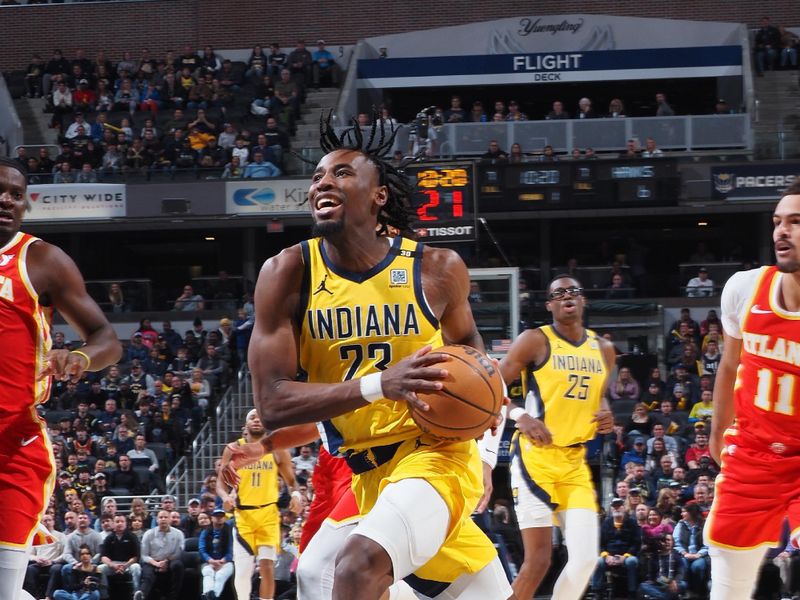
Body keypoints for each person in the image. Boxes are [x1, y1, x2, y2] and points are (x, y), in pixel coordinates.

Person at [243, 115, 511, 599]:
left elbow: (478, 365)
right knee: (313, 577)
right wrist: (381, 384)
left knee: (355, 569)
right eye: (318, 176)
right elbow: (274, 405)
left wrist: (486, 453)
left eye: (342, 172)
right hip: (366, 475)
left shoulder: (437, 269)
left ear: (378, 195)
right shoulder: (287, 273)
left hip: (437, 458)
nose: (324, 181)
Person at [0, 158, 121, 600]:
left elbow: (107, 338)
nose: (6, 199)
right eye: (0, 190)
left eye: (16, 193)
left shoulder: (43, 259)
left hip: (12, 444)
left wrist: (81, 358)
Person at [707, 179, 800, 600]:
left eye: (796, 222)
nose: (782, 231)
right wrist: (716, 433)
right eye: (778, 222)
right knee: (728, 584)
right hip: (751, 456)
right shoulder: (744, 288)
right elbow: (729, 367)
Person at [500, 275, 615, 600]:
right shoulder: (535, 340)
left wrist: (607, 416)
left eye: (573, 291)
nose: (567, 296)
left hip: (575, 464)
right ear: (549, 304)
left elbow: (599, 397)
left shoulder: (603, 349)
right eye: (558, 293)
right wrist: (520, 416)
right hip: (535, 459)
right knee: (538, 561)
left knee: (585, 560)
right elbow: (489, 385)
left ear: (583, 301)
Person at [217, 409, 299, 600]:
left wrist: (295, 494)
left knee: (267, 566)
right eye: (251, 417)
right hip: (243, 516)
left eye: (260, 417)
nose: (256, 420)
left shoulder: (278, 450)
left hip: (269, 514)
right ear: (245, 426)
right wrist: (225, 497)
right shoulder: (233, 448)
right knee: (244, 571)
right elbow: (220, 482)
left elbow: (291, 481)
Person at [136, 510, 185, 600]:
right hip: (152, 561)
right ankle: (141, 595)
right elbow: (144, 555)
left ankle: (173, 597)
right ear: (157, 520)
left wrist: (166, 562)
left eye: (165, 517)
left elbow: (179, 552)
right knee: (148, 573)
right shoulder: (148, 534)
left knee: (178, 565)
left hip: (170, 560)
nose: (163, 519)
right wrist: (156, 564)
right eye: (160, 517)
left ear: (170, 519)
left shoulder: (179, 534)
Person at [198, 508, 234, 600]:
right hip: (208, 561)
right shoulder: (205, 532)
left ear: (224, 518)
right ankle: (209, 595)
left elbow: (231, 550)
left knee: (220, 575)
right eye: (216, 516)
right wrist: (211, 561)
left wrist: (222, 561)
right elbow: (202, 550)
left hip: (226, 562)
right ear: (212, 518)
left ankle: (209, 596)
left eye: (221, 516)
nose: (219, 518)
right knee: (208, 572)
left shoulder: (230, 532)